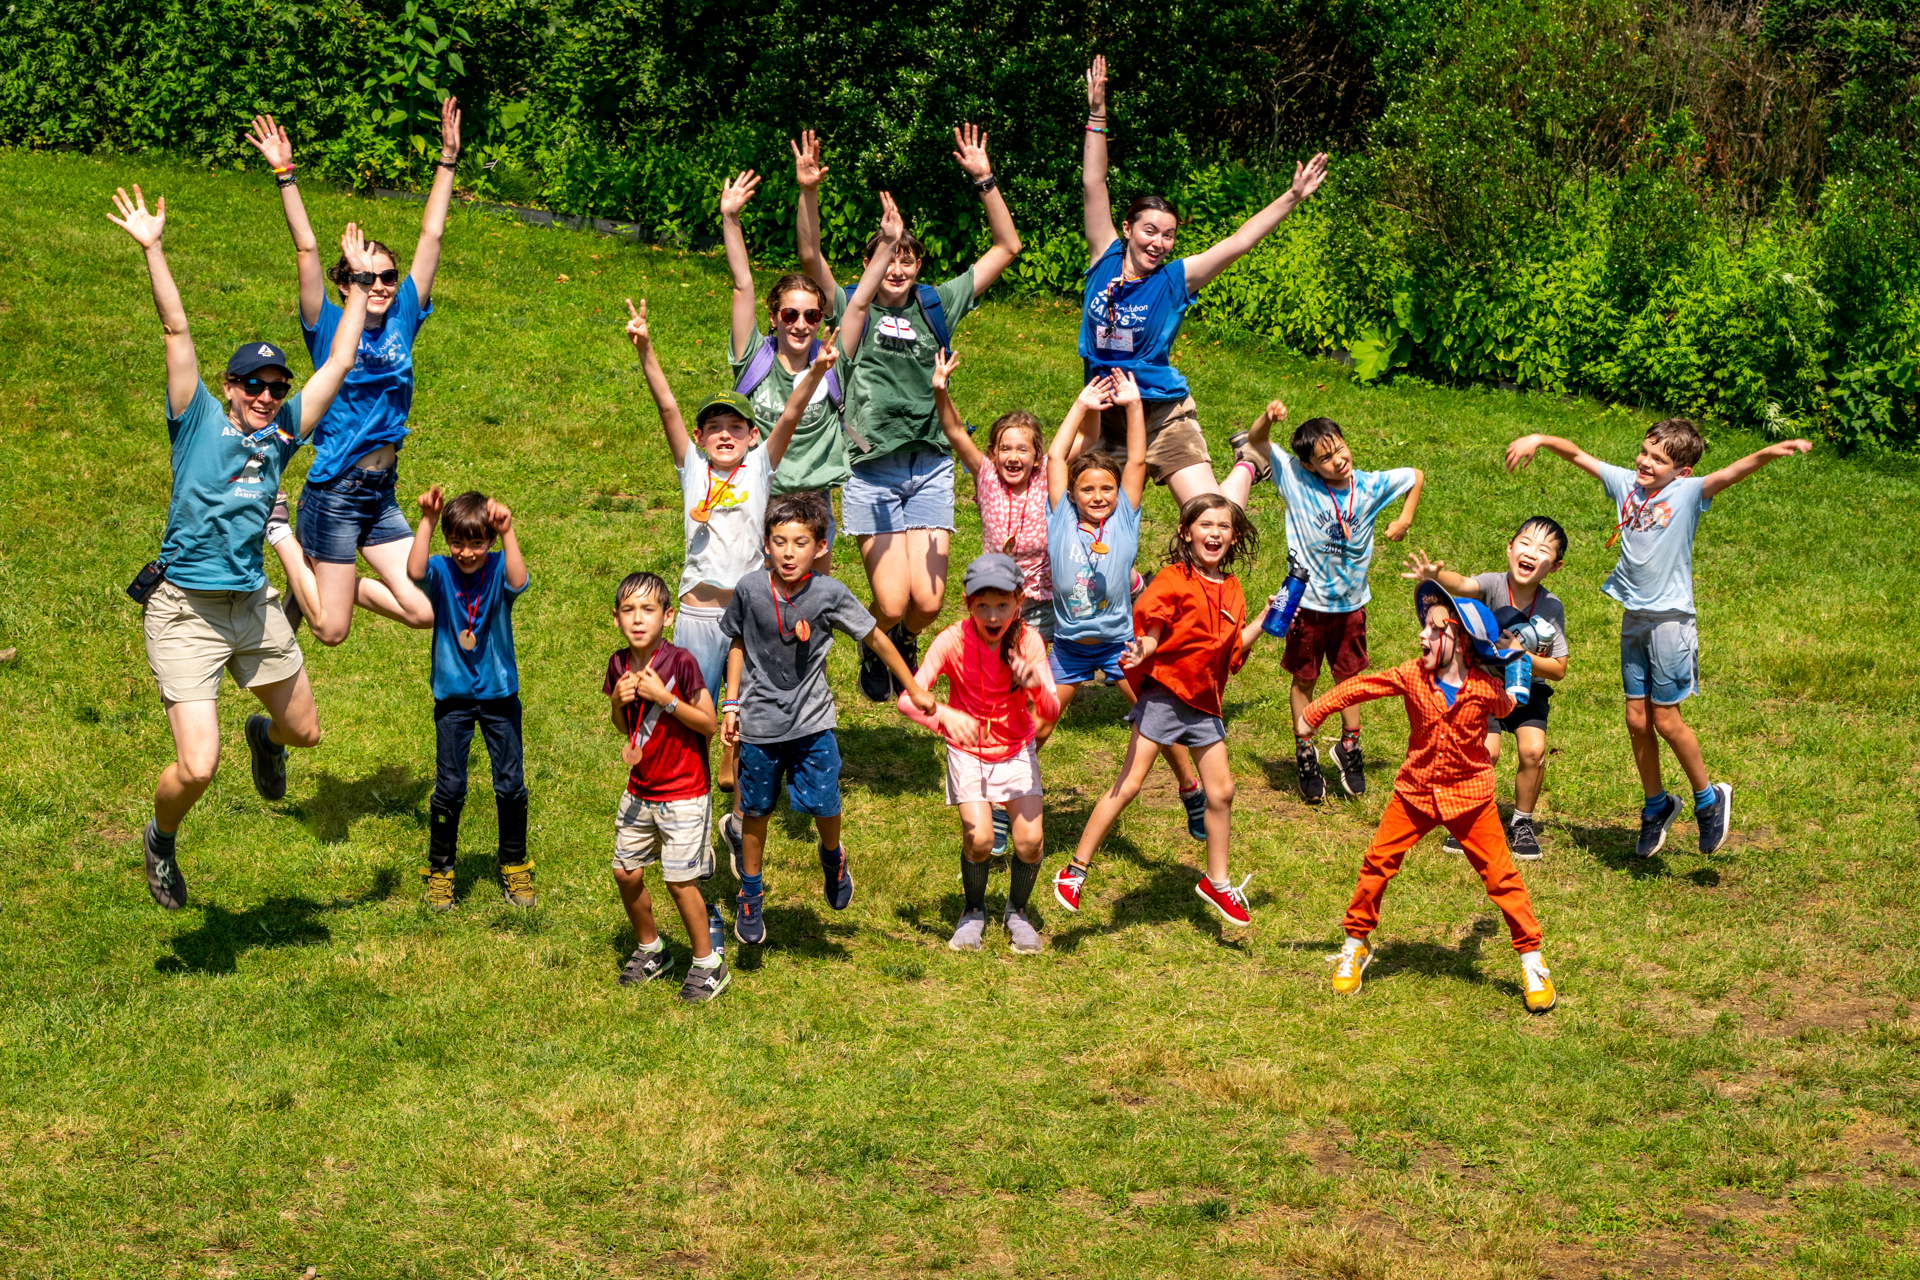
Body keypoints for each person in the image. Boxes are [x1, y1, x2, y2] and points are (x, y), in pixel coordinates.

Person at [108, 186, 377, 909]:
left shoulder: (284, 432)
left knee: (305, 732)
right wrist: (153, 248)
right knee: (197, 767)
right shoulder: (195, 417)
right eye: (253, 385)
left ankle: (266, 735)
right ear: (228, 387)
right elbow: (175, 329)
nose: (266, 394)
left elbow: (341, 363)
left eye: (275, 385)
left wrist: (353, 287)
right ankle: (162, 839)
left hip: (250, 606)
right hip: (186, 610)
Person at [1505, 421, 1811, 856]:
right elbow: (1578, 455)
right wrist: (1540, 439)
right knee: (1636, 720)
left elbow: (1729, 474)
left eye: (1659, 459)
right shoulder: (1626, 484)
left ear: (1680, 471)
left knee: (1666, 720)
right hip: (1635, 620)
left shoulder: (1686, 494)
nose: (1646, 462)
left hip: (1671, 622)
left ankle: (1708, 800)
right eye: (1645, 451)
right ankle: (1656, 805)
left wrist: (1767, 453)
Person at [793, 125, 1024, 701]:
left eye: (908, 259)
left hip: (930, 466)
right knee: (893, 601)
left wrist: (984, 180)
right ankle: (878, 637)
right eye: (887, 258)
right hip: (872, 471)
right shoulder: (851, 305)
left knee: (926, 604)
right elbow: (808, 255)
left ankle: (896, 638)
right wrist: (809, 192)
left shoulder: (936, 303)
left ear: (918, 264)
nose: (897, 268)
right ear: (871, 261)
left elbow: (1006, 248)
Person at [243, 102, 462, 647]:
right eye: (371, 277)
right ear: (348, 283)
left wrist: (448, 159)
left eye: (390, 275)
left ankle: (335, 581)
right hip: (336, 490)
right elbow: (306, 248)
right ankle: (281, 533)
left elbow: (431, 236)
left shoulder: (404, 315)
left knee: (427, 611)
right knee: (332, 632)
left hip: (379, 492)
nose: (384, 284)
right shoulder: (328, 325)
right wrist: (284, 175)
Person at [1078, 55, 1328, 507]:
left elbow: (1238, 242)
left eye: (1168, 235)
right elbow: (1094, 183)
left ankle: (1249, 460)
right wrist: (1097, 114)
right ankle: (1128, 582)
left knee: (1211, 516)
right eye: (1149, 231)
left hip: (1161, 414)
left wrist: (1291, 197)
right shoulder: (1105, 255)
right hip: (1101, 417)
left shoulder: (1176, 279)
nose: (1158, 242)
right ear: (1129, 228)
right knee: (1076, 515)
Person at [1302, 581, 1557, 1013]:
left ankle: (1532, 962)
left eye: (1435, 629)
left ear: (1460, 643)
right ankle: (1354, 946)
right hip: (1415, 793)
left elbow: (1510, 707)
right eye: (1425, 627)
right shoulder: (1411, 675)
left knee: (1502, 879)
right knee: (1376, 865)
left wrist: (1513, 663)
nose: (1422, 634)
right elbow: (1361, 687)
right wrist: (1314, 712)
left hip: (1470, 797)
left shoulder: (1483, 688)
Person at [718, 494, 935, 945]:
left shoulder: (829, 593)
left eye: (800, 542)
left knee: (825, 803)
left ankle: (832, 856)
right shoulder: (750, 589)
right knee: (755, 811)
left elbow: (875, 635)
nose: (789, 552)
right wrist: (731, 702)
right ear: (766, 545)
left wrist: (911, 685)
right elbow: (736, 640)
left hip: (813, 721)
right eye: (780, 542)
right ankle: (750, 894)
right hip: (758, 723)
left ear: (819, 547)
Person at [1053, 494, 1275, 927]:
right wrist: (1143, 650)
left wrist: (1265, 619)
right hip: (1166, 696)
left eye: (1223, 527)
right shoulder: (1173, 579)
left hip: (1205, 703)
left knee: (1222, 792)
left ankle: (1216, 880)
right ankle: (1073, 871)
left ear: (1233, 536)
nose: (1214, 533)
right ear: (1185, 532)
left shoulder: (1231, 589)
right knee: (1131, 783)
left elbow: (1230, 651)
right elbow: (1152, 630)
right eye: (1205, 525)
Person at [1044, 371, 1210, 842]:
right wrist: (1081, 405)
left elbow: (1137, 458)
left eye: (1106, 489)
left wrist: (1135, 406)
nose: (1098, 497)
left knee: (1159, 726)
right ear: (1072, 494)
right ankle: (1005, 801)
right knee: (1038, 728)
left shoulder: (1124, 521)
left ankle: (1191, 789)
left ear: (1118, 495)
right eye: (1088, 490)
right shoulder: (1060, 519)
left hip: (1121, 646)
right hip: (1070, 649)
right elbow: (1057, 455)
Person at [1243, 405, 1423, 803]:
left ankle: (1349, 747)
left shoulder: (1369, 485)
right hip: (1306, 607)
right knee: (1304, 679)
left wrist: (1405, 519)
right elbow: (1256, 441)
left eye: (1340, 449)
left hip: (1352, 606)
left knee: (1351, 680)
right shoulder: (1295, 480)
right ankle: (1305, 752)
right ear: (1308, 465)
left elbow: (1415, 476)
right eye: (1325, 458)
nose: (1338, 460)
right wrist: (1269, 420)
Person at [895, 553, 1060, 954]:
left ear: (1019, 602)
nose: (992, 614)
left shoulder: (1029, 642)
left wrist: (1035, 684)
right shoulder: (951, 640)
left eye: (1002, 604)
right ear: (968, 603)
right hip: (967, 752)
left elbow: (1051, 710)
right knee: (980, 837)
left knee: (1030, 842)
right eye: (982, 604)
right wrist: (945, 716)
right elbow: (907, 700)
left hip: (1016, 749)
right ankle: (973, 912)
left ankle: (1017, 912)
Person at [1401, 516, 1572, 860]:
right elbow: (1462, 585)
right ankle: (1468, 816)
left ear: (1555, 566)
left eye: (1543, 550)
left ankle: (1521, 823)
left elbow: (1558, 669)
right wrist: (1436, 577)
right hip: (1483, 686)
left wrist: (1521, 654)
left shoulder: (1551, 607)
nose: (1530, 553)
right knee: (1486, 751)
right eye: (1524, 543)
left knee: (1534, 751)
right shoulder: (1493, 584)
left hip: (1528, 691)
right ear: (1510, 548)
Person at [603, 571, 730, 1004]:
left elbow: (708, 724)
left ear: (668, 616)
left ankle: (707, 963)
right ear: (617, 618)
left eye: (648, 609)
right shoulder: (618, 664)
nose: (638, 619)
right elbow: (626, 729)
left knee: (680, 880)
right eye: (628, 610)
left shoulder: (680, 663)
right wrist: (619, 705)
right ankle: (651, 948)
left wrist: (665, 699)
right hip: (640, 789)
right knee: (625, 870)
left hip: (684, 793)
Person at [405, 486, 534, 910]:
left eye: (476, 542)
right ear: (448, 541)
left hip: (499, 695)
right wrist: (426, 520)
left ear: (490, 542)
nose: (466, 552)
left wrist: (508, 530)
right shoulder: (441, 571)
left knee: (510, 783)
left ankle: (513, 865)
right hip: (454, 698)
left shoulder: (498, 567)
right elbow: (414, 570)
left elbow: (520, 581)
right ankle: (440, 871)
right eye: (458, 542)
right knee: (450, 786)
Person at [720, 170, 849, 570]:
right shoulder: (754, 357)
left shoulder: (830, 359)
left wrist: (809, 192)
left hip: (813, 498)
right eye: (790, 314)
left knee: (814, 596)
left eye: (811, 315)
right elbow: (743, 285)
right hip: (758, 491)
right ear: (774, 316)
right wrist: (731, 219)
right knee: (756, 594)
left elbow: (855, 303)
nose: (801, 324)